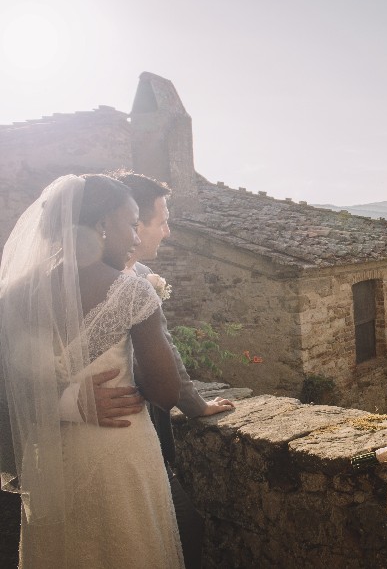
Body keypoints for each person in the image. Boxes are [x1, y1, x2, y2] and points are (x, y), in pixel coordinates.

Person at [0, 174, 185, 567]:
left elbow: (8, 387)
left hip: (51, 464)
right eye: (131, 224)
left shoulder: (15, 294)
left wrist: (65, 402)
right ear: (101, 226)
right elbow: (166, 393)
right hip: (117, 455)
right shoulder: (132, 290)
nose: (137, 238)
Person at [118, 171, 235, 568]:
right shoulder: (133, 284)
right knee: (180, 527)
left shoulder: (84, 279)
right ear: (132, 223)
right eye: (162, 220)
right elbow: (163, 358)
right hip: (130, 426)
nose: (167, 232)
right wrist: (195, 405)